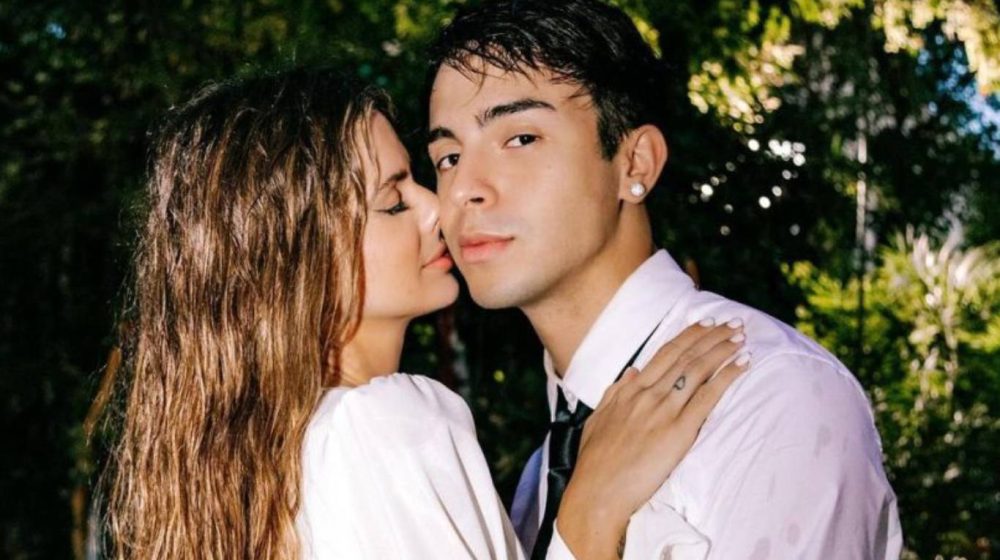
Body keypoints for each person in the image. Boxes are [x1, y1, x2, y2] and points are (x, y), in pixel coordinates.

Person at [104, 68, 748, 559]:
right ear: (298, 257)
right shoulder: (379, 425)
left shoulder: (261, 466)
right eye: (393, 202)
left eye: (418, 177)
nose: (438, 207)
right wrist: (588, 514)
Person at [424, 1, 903, 558]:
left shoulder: (767, 391)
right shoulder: (543, 474)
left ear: (636, 164)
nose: (463, 189)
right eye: (448, 157)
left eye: (521, 139)